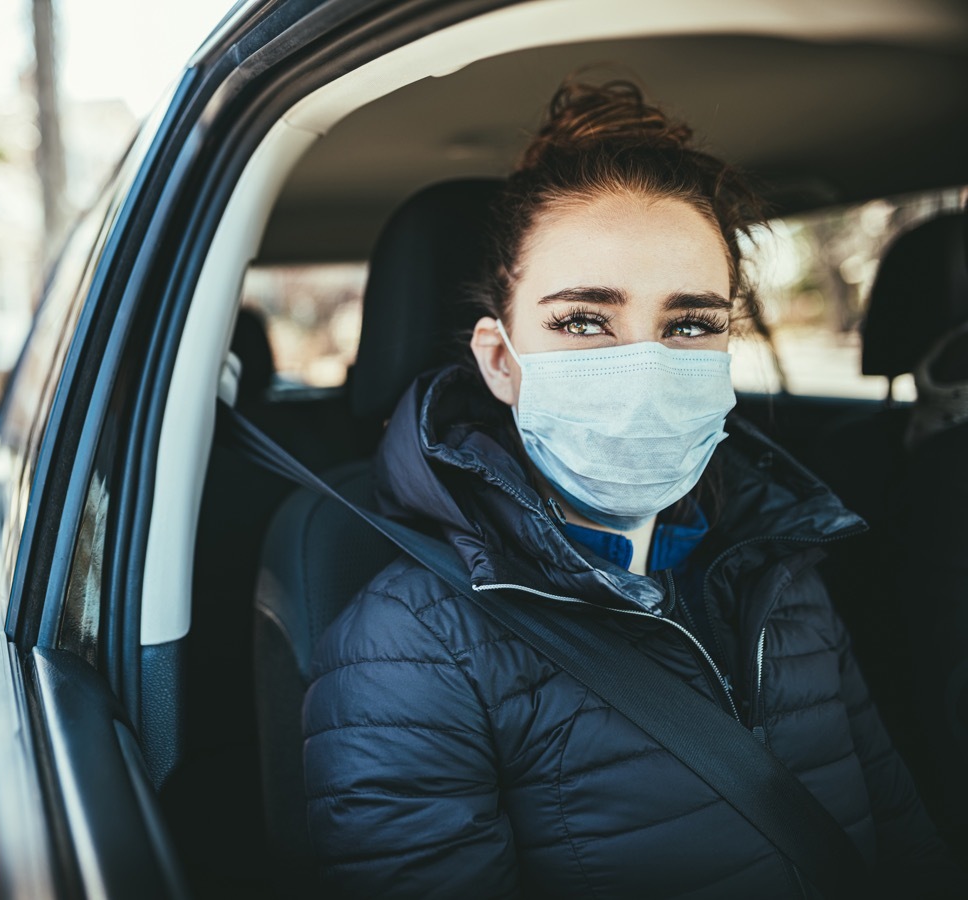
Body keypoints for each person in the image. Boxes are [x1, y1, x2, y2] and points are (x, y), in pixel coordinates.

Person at [301, 80, 963, 898]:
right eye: (584, 321)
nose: (646, 368)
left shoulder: (783, 573)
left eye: (690, 325)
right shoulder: (411, 648)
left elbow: (902, 843)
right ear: (502, 362)